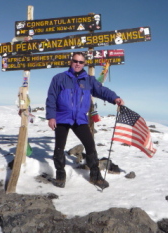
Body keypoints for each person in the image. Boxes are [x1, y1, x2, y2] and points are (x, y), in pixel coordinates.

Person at [46, 52, 124, 189]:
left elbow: (102, 90)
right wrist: (51, 116)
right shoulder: (59, 78)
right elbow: (51, 98)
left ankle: (95, 177)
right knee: (59, 147)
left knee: (90, 146)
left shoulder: (89, 80)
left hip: (80, 119)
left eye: (81, 62)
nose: (77, 64)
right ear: (71, 61)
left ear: (84, 64)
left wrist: (114, 98)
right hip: (62, 118)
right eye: (75, 61)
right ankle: (60, 175)